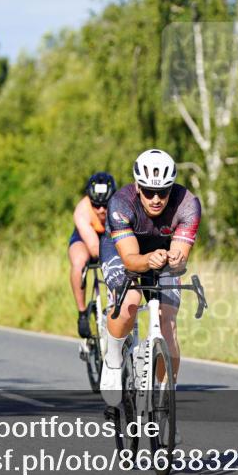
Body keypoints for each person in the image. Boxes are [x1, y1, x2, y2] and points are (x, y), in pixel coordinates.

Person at [98, 149, 201, 412]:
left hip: (162, 253)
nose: (156, 199)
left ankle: (166, 399)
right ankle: (112, 361)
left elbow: (180, 255)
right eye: (148, 191)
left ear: (171, 188)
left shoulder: (188, 204)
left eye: (163, 192)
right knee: (130, 302)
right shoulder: (121, 203)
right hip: (123, 250)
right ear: (137, 186)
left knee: (169, 323)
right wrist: (148, 260)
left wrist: (177, 260)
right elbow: (132, 259)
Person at [68, 172, 116, 338]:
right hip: (86, 238)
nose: (101, 210)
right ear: (90, 200)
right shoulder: (82, 211)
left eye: (105, 204)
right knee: (80, 262)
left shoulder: (120, 205)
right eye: (96, 205)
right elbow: (95, 247)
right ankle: (82, 314)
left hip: (110, 236)